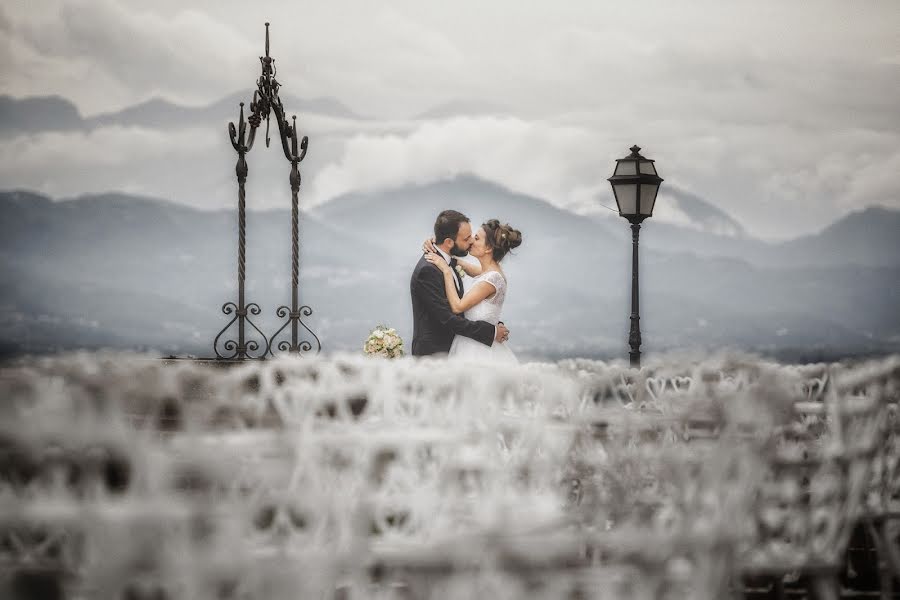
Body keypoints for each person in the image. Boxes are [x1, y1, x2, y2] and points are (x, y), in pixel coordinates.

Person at [410, 210, 510, 357]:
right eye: (467, 238)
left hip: (461, 350)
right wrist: (491, 331)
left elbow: (471, 305)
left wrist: (493, 321)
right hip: (434, 355)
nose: (470, 241)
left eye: (474, 237)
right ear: (449, 242)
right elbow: (448, 318)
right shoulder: (429, 270)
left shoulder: (451, 262)